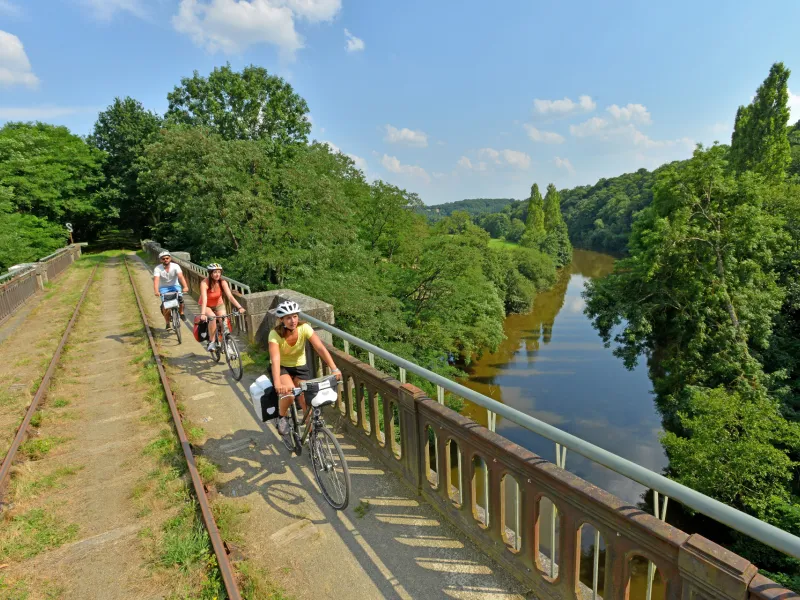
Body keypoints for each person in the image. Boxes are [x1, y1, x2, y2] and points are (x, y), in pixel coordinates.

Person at [268, 300, 341, 435]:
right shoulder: (275, 334)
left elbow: (320, 348)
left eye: (295, 316)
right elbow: (275, 359)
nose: (293, 321)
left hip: (300, 367)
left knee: (307, 402)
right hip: (282, 367)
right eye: (288, 318)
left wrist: (334, 368)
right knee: (289, 395)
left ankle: (313, 438)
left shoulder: (304, 328)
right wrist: (278, 383)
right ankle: (282, 417)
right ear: (281, 319)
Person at [198, 263, 245, 352]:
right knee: (212, 318)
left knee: (224, 320)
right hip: (206, 305)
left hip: (218, 304)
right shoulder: (204, 283)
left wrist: (240, 307)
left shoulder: (222, 282)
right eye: (215, 272)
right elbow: (204, 299)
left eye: (219, 272)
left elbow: (230, 296)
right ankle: (212, 342)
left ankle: (227, 344)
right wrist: (203, 314)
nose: (217, 274)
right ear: (210, 273)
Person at [153, 250, 189, 329]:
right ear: (160, 260)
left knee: (180, 299)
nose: (165, 260)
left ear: (170, 258)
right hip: (163, 288)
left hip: (175, 286)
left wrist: (185, 286)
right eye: (163, 259)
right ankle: (167, 323)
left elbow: (180, 276)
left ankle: (181, 313)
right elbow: (156, 280)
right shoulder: (157, 269)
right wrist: (156, 291)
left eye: (167, 258)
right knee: (165, 306)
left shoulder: (175, 266)